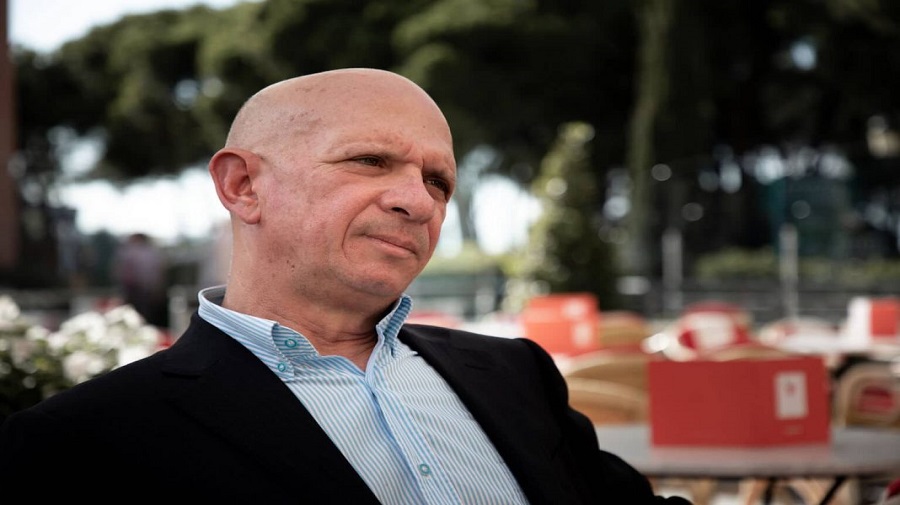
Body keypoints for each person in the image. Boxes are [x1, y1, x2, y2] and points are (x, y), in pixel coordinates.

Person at [0, 68, 691, 504]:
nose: (418, 201)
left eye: (438, 181)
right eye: (370, 161)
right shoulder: (79, 443)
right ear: (243, 186)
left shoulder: (516, 373)